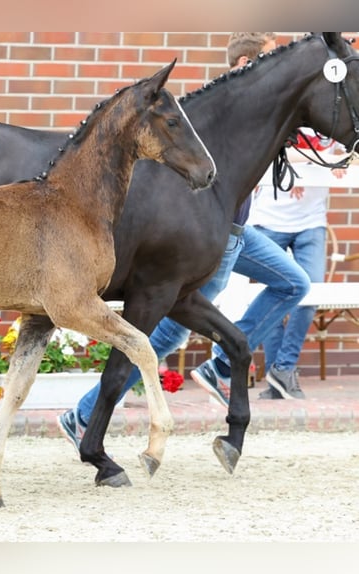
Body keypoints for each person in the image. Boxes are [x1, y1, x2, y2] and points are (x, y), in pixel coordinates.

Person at [57, 32, 312, 449]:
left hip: (237, 233)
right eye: (267, 59)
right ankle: (85, 415)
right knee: (168, 325)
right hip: (210, 236)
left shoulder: (256, 113)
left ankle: (219, 366)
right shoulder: (219, 111)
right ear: (244, 64)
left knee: (292, 283)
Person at [248, 129, 347, 398]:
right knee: (273, 298)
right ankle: (278, 378)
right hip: (268, 222)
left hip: (311, 224)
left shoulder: (333, 125)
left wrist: (339, 158)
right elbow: (271, 150)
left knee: (312, 293)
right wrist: (321, 160)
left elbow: (349, 154)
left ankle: (283, 368)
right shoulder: (290, 115)